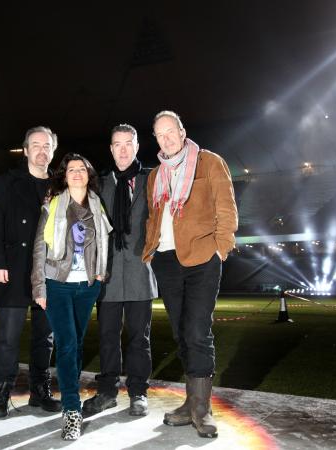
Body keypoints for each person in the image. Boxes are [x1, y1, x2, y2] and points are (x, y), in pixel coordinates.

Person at [143, 110, 238, 438]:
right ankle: (191, 402)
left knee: (198, 331)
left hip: (201, 259)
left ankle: (202, 408)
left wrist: (219, 249)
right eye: (160, 135)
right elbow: (153, 218)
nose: (166, 139)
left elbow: (226, 209)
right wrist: (151, 250)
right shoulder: (155, 175)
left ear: (183, 132)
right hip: (167, 262)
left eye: (171, 132)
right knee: (182, 333)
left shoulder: (209, 162)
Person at [31, 153, 112, 440]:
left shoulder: (97, 206)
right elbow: (40, 247)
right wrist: (39, 287)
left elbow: (103, 244)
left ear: (89, 175)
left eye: (82, 169)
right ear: (64, 176)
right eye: (72, 170)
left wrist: (100, 274)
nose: (77, 173)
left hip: (86, 286)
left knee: (76, 346)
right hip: (57, 284)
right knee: (66, 345)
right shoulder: (53, 204)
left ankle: (69, 394)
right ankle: (72, 411)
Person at [0, 126, 61, 418]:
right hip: (14, 268)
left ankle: (39, 393)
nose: (41, 150)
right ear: (26, 150)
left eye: (47, 146)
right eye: (35, 145)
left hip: (49, 271)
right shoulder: (8, 181)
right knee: (8, 337)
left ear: (53, 150)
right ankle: (1, 395)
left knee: (45, 337)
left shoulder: (60, 184)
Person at [83, 124, 157, 417]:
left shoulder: (151, 180)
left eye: (129, 143)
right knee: (108, 337)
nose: (123, 150)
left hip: (140, 270)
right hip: (108, 274)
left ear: (137, 147)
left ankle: (138, 392)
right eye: (117, 144)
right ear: (111, 149)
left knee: (140, 337)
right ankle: (107, 391)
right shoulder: (100, 184)